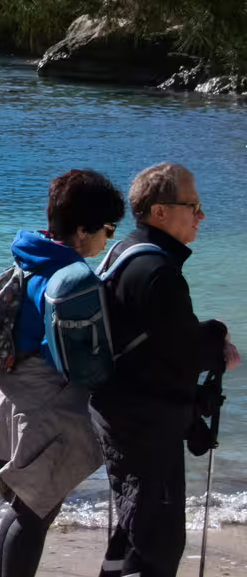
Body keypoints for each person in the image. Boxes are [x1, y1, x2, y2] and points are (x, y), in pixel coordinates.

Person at [0, 168, 127, 577]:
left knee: (25, 507)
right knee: (34, 512)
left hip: (5, 393)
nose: (108, 240)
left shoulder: (33, 255)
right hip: (44, 408)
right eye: (108, 230)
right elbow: (72, 361)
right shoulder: (71, 281)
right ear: (83, 231)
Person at [91, 161, 238, 577]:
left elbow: (161, 337)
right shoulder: (158, 272)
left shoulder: (124, 250)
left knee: (133, 530)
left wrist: (206, 336)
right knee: (159, 545)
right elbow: (186, 353)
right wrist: (218, 340)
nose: (201, 215)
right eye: (192, 205)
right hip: (144, 426)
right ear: (160, 212)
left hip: (118, 414)